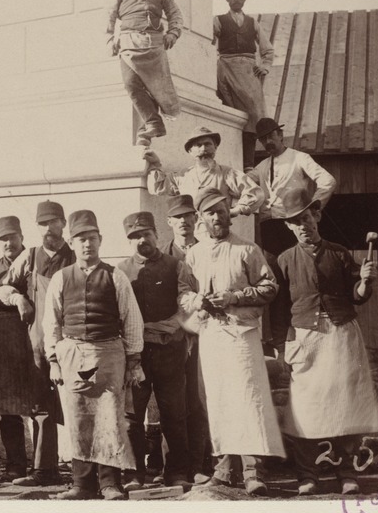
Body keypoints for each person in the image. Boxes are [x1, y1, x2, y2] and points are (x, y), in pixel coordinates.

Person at [272, 190, 378, 496]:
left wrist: (364, 282)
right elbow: (279, 310)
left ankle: (346, 472)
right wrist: (281, 344)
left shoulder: (339, 253)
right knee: (305, 406)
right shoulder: (284, 260)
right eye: (295, 222)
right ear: (289, 227)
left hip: (342, 332)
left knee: (344, 403)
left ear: (317, 217)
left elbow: (357, 297)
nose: (302, 226)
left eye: (306, 218)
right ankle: (308, 475)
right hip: (304, 336)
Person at [180, 189, 283, 495]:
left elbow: (270, 287)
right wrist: (199, 300)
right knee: (218, 398)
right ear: (201, 217)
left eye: (222, 210)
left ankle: (253, 470)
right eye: (210, 212)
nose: (217, 217)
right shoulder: (194, 254)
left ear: (229, 213)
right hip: (211, 334)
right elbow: (183, 291)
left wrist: (233, 297)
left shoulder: (247, 249)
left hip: (241, 333)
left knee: (248, 399)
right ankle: (225, 469)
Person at [42, 209, 143, 501]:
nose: (88, 244)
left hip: (109, 351)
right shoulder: (61, 278)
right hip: (73, 353)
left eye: (92, 238)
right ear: (72, 243)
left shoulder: (116, 276)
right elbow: (52, 321)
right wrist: (53, 360)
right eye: (81, 239)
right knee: (79, 418)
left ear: (100, 240)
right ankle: (82, 484)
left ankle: (110, 483)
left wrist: (133, 357)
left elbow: (131, 318)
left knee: (109, 417)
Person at [0, 200, 74, 488]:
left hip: (73, 344)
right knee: (41, 407)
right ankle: (44, 470)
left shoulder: (76, 256)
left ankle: (86, 472)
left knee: (79, 406)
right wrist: (18, 298)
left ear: (63, 224)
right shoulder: (29, 257)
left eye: (54, 222)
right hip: (38, 346)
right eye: (43, 223)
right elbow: (1, 286)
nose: (48, 228)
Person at [115, 212, 193, 489]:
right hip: (135, 357)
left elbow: (185, 308)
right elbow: (119, 315)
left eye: (146, 234)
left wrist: (165, 329)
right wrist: (140, 337)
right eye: (134, 236)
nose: (141, 240)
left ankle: (177, 472)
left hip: (170, 351)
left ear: (156, 235)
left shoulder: (176, 265)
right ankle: (134, 474)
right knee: (132, 416)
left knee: (174, 413)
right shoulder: (120, 271)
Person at [106, 0, 184, 146]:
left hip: (154, 44)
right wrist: (110, 38)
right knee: (131, 83)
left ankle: (149, 128)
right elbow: (110, 14)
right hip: (129, 42)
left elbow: (176, 14)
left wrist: (173, 33)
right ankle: (153, 122)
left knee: (156, 89)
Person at [163, 195, 210, 481]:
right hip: (173, 339)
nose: (184, 222)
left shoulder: (209, 251)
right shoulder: (161, 257)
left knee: (200, 400)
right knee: (174, 403)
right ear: (169, 222)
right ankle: (174, 467)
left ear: (196, 218)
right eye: (177, 217)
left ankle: (201, 465)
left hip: (206, 335)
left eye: (188, 215)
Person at [0, 216, 33, 482]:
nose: (8, 243)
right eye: (3, 239)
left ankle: (42, 465)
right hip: (3, 341)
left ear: (22, 237)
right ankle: (16, 463)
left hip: (33, 334)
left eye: (12, 237)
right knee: (8, 408)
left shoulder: (35, 263)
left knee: (40, 405)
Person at [146, 126, 263, 216]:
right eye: (198, 145)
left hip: (219, 230)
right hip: (193, 232)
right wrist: (156, 164)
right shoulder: (182, 176)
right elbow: (158, 187)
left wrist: (236, 210)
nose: (204, 149)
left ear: (215, 147)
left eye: (208, 144)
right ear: (190, 151)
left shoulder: (227, 173)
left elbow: (255, 192)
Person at [249, 117, 337, 237]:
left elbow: (328, 181)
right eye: (263, 139)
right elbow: (242, 182)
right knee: (271, 256)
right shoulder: (262, 166)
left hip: (294, 222)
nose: (268, 141)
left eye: (271, 136)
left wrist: (312, 208)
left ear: (280, 135)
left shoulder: (299, 158)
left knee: (296, 255)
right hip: (268, 225)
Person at [212, 0, 274, 135]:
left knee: (255, 110)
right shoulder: (218, 20)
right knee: (231, 108)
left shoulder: (252, 23)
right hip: (226, 67)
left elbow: (268, 50)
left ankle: (249, 154)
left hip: (248, 70)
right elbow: (206, 42)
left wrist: (265, 67)